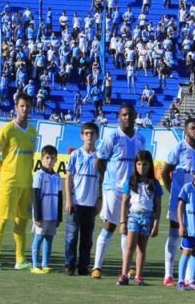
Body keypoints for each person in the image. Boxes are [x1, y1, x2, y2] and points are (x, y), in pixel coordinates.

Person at [92, 104, 146, 279]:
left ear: (135, 116)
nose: (127, 118)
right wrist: (103, 186)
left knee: (129, 229)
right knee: (109, 226)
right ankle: (97, 267)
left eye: (130, 115)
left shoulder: (140, 139)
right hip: (113, 189)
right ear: (118, 117)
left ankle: (126, 267)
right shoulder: (112, 137)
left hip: (132, 191)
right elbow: (99, 162)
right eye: (124, 115)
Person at [160, 118, 195, 286]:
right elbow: (164, 172)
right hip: (180, 201)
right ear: (186, 131)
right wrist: (173, 192)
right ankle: (168, 274)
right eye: (193, 128)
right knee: (175, 234)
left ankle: (190, 277)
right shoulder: (178, 149)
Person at [0, 94, 37, 271]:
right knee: (2, 220)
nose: (25, 109)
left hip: (26, 182)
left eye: (28, 106)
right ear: (16, 107)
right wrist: (2, 169)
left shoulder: (33, 131)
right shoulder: (7, 130)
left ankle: (20, 259)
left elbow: (31, 157)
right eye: (22, 106)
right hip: (9, 182)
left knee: (21, 221)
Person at [117, 151, 161, 286]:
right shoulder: (130, 181)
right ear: (135, 165)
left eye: (145, 165)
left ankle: (139, 275)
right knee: (130, 246)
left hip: (147, 218)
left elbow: (157, 206)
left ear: (150, 165)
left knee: (142, 248)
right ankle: (124, 274)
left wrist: (156, 224)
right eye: (139, 164)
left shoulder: (154, 183)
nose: (142, 167)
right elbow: (124, 202)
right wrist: (122, 221)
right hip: (133, 217)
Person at [64, 122, 100, 276]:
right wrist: (68, 199)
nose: (89, 136)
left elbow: (103, 179)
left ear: (97, 136)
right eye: (86, 133)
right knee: (71, 236)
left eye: (92, 133)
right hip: (76, 202)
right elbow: (69, 177)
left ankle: (83, 266)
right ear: (81, 136)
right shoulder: (76, 155)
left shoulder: (100, 157)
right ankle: (69, 265)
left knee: (87, 238)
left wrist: (100, 199)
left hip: (91, 203)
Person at [31, 146, 63, 274]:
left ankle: (45, 264)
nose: (50, 160)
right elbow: (35, 196)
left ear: (56, 160)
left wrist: (59, 216)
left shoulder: (57, 177)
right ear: (42, 159)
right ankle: (35, 265)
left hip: (53, 214)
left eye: (53, 158)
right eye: (47, 158)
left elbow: (60, 197)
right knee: (38, 238)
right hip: (42, 214)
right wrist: (37, 216)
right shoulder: (39, 175)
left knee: (49, 239)